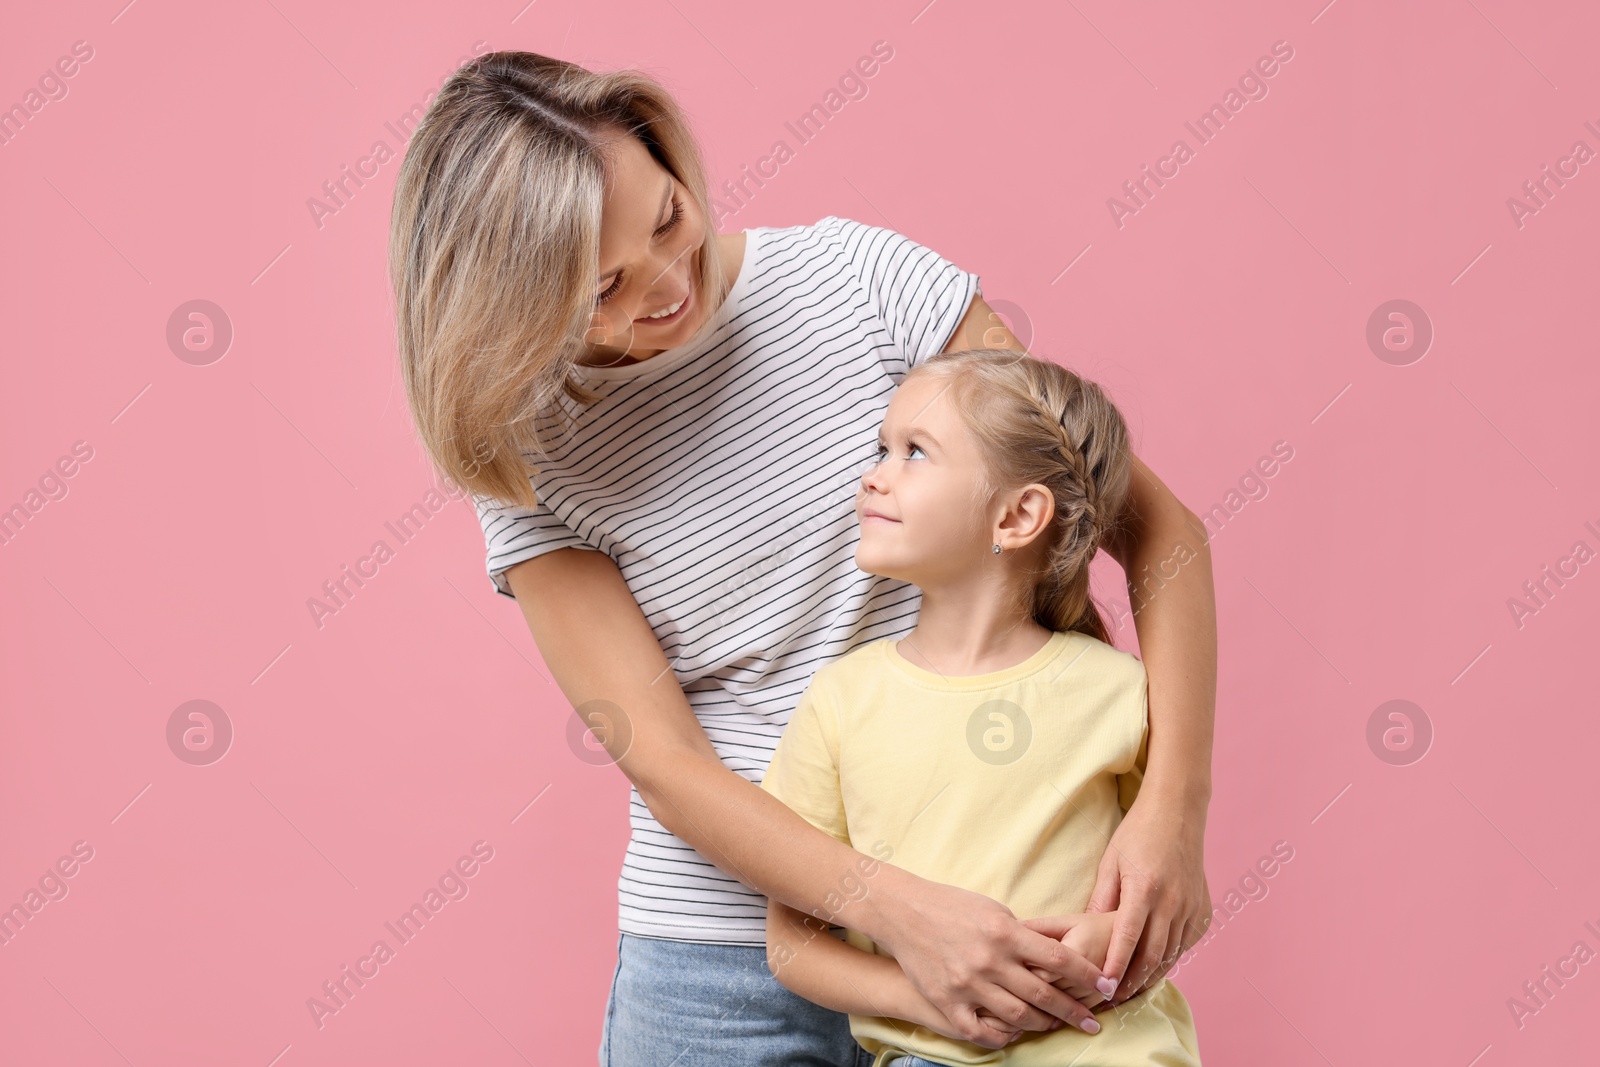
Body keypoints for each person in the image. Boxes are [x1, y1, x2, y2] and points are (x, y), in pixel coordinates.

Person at [388, 50, 1216, 1067]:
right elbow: (669, 761)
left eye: (666, 219)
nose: (666, 287)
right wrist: (899, 914)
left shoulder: (859, 283)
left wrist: (1173, 813)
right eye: (602, 288)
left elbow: (1160, 535)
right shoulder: (527, 451)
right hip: (720, 965)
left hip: (998, 918)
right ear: (509, 306)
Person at [761, 347, 1202, 1066]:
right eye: (882, 447)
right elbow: (793, 943)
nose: (875, 472)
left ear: (1018, 514)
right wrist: (924, 999)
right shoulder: (843, 699)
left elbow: (1158, 885)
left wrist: (1106, 949)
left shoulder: (1120, 693)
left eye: (915, 452)